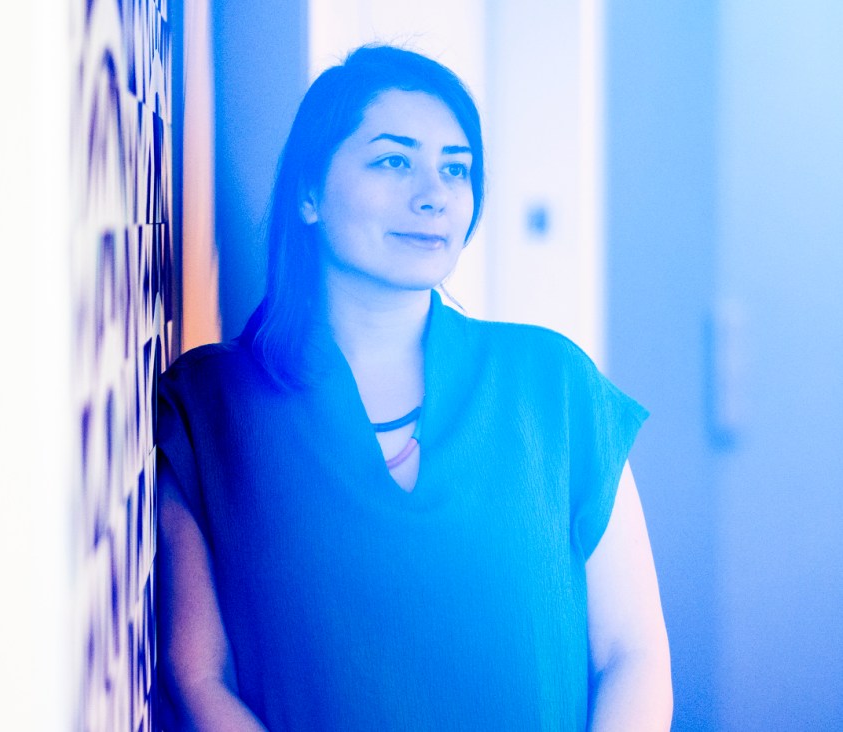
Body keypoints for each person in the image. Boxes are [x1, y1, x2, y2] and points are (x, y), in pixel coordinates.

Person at [156, 45, 671, 731]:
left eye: (455, 170)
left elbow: (632, 654)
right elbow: (197, 676)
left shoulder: (553, 384)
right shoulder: (212, 406)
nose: (434, 194)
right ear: (309, 192)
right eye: (394, 160)